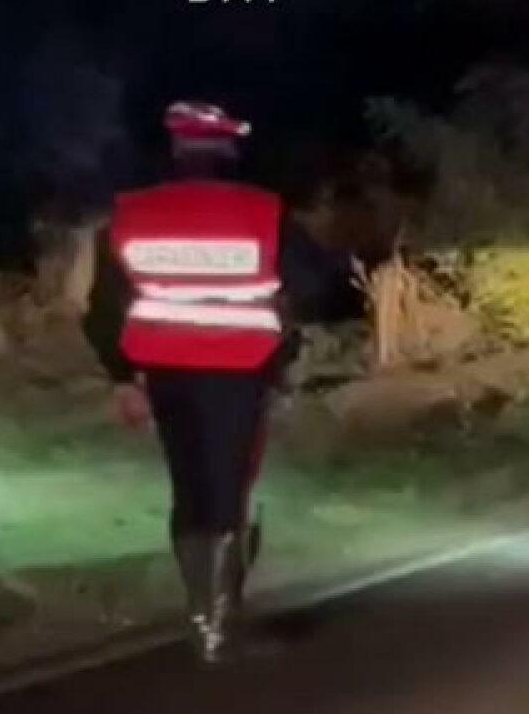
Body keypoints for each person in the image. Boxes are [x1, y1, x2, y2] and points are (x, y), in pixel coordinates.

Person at [83, 101, 365, 662]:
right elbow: (318, 286)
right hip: (238, 369)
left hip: (164, 370)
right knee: (229, 487)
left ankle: (200, 618)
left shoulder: (132, 212)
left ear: (177, 151)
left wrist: (121, 379)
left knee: (189, 490)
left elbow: (103, 310)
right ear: (228, 151)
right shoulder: (261, 211)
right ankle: (221, 628)